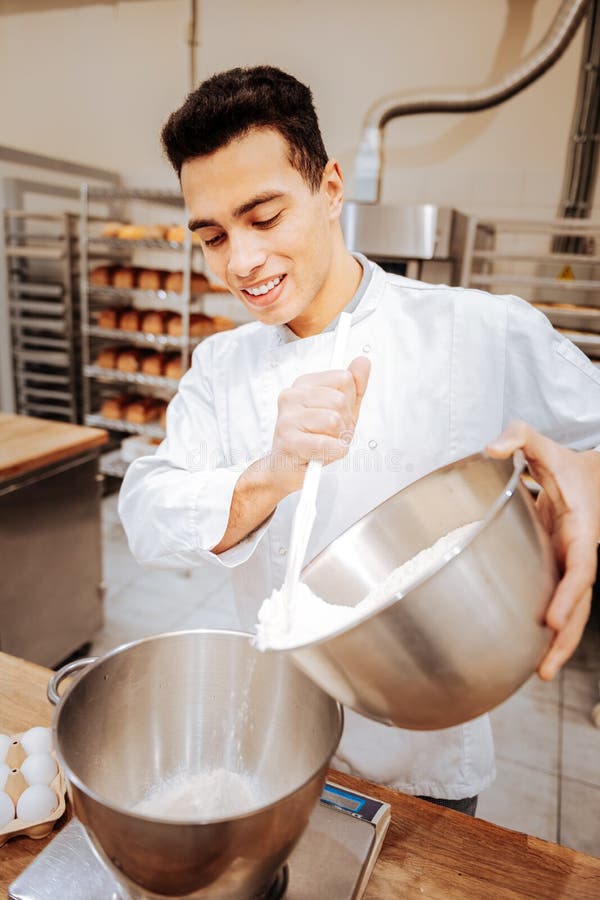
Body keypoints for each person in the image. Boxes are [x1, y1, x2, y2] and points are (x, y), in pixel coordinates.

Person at [119, 66, 600, 816]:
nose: (239, 262)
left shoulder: (473, 329)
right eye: (212, 236)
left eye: (264, 216)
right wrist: (269, 477)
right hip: (279, 742)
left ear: (332, 187)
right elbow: (145, 516)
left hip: (425, 756)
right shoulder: (221, 367)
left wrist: (586, 479)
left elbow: (592, 436)